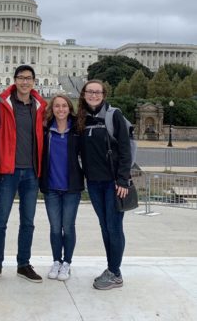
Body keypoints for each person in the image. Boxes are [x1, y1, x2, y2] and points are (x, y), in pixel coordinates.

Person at [0, 65, 47, 284]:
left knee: (28, 222)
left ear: (34, 81)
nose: (25, 82)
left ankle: (23, 264)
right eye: (21, 78)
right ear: (15, 80)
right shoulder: (2, 104)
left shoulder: (40, 107)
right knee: (0, 221)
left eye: (28, 78)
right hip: (7, 172)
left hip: (31, 173)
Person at [77, 79, 131, 290]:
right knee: (105, 227)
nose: (93, 95)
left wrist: (123, 179)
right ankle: (111, 268)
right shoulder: (82, 119)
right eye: (90, 91)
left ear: (104, 94)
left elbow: (125, 150)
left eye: (97, 92)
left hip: (113, 183)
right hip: (94, 182)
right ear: (83, 94)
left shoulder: (113, 115)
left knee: (114, 227)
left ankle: (115, 273)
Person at [39, 94, 84, 281]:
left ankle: (67, 263)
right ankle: (56, 260)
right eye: (57, 106)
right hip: (51, 188)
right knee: (55, 228)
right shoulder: (46, 130)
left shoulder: (77, 130)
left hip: (71, 188)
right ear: (52, 109)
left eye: (64, 106)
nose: (60, 109)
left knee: (68, 227)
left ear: (69, 108)